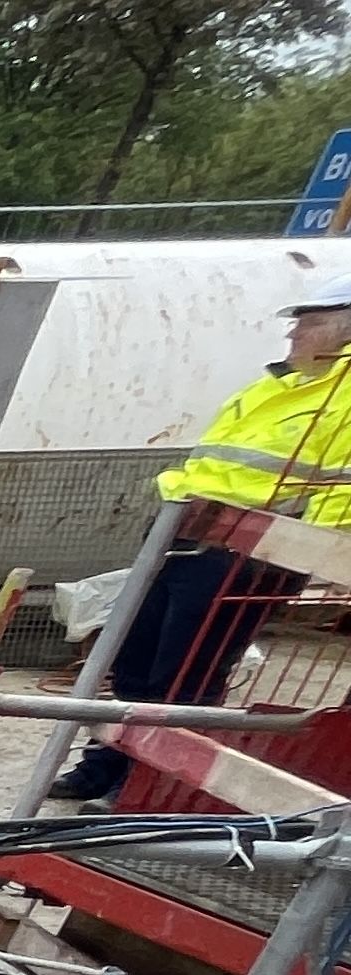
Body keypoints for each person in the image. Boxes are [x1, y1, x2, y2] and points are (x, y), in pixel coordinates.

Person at [51, 270, 351, 802]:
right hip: (183, 537)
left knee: (186, 675)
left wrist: (319, 550)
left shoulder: (341, 396)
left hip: (248, 555)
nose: (296, 333)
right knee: (134, 659)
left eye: (314, 322)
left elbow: (339, 485)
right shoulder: (277, 385)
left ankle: (149, 782)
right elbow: (215, 462)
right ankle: (107, 766)